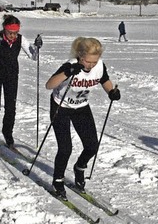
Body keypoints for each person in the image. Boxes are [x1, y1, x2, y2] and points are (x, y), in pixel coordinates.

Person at [45, 37, 120, 200]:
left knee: (92, 146)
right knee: (65, 148)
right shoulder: (70, 65)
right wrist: (67, 73)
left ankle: (79, 168)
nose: (91, 65)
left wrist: (111, 92)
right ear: (80, 56)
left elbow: (104, 80)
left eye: (95, 61)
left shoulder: (99, 66)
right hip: (61, 107)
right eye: (88, 62)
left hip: (81, 107)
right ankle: (58, 181)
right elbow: (49, 85)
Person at [0, 14, 39, 150]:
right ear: (4, 29)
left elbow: (33, 56)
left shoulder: (21, 39)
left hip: (11, 75)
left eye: (15, 33)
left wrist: (37, 48)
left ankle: (8, 135)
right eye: (10, 33)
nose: (13, 36)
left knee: (11, 108)